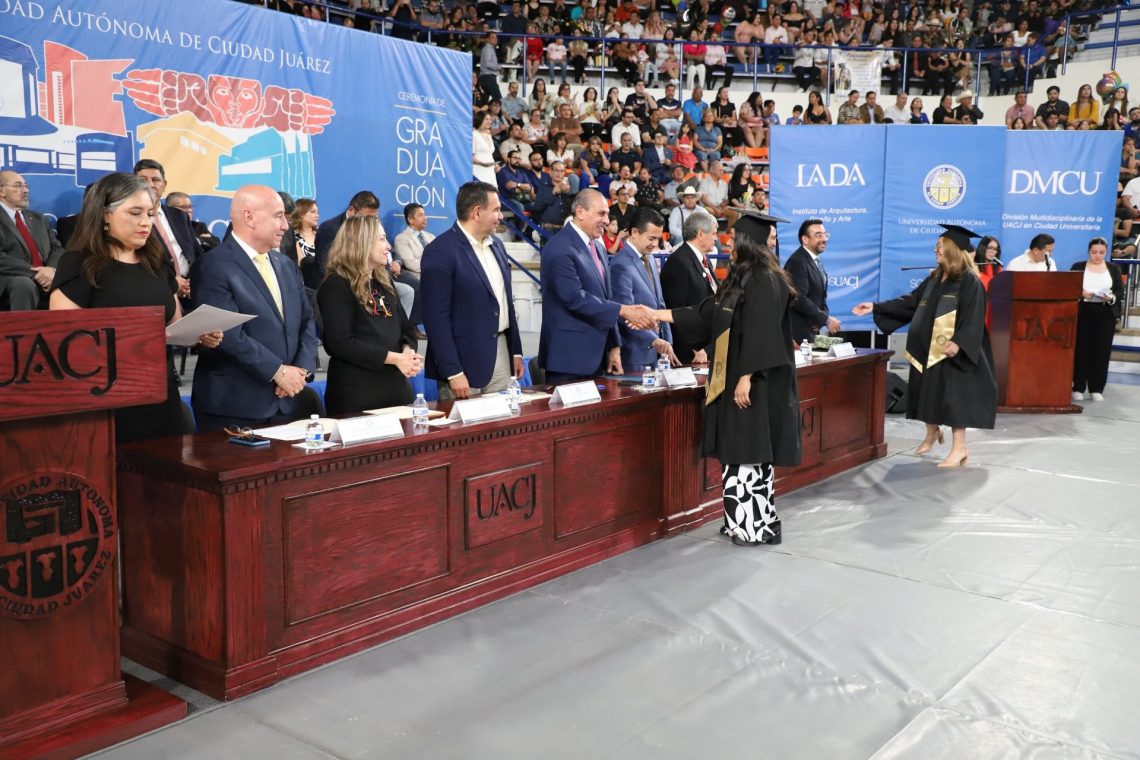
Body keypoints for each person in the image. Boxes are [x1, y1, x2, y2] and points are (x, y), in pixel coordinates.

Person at [651, 210, 802, 546]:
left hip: (754, 381)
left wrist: (746, 376)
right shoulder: (742, 277)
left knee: (749, 450)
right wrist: (654, 314)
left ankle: (752, 526)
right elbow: (706, 312)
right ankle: (743, 521)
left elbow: (762, 333)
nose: (727, 242)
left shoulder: (765, 279)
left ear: (748, 242)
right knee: (740, 451)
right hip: (735, 376)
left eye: (734, 238)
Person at [49, 172, 221, 441]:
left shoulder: (156, 261)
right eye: (135, 213)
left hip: (161, 395)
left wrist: (200, 334)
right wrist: (141, 340)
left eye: (150, 214)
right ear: (105, 214)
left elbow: (174, 325)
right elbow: (64, 342)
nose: (145, 222)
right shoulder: (78, 264)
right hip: (106, 403)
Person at [853, 224, 997, 467]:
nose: (935, 250)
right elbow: (910, 303)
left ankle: (959, 448)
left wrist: (958, 342)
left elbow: (973, 317)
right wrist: (876, 307)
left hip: (951, 352)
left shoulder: (969, 281)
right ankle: (932, 433)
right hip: (927, 348)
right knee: (926, 393)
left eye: (939, 246)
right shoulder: (935, 278)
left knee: (954, 401)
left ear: (952, 250)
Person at [190, 184, 319, 432]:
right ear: (249, 217)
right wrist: (278, 372)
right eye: (278, 216)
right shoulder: (213, 265)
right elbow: (227, 334)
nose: (285, 226)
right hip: (235, 407)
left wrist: (300, 371)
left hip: (286, 401)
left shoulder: (286, 265)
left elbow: (306, 321)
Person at [538, 189, 657, 382]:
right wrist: (624, 310)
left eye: (607, 214)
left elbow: (606, 298)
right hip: (569, 359)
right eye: (601, 214)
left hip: (598, 357)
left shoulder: (599, 248)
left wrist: (614, 345)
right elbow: (574, 298)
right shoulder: (559, 247)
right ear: (580, 212)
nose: (607, 221)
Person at [421, 181, 525, 400]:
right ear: (477, 212)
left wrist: (515, 350)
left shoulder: (497, 245)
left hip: (501, 355)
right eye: (496, 210)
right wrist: (453, 371)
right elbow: (435, 319)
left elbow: (506, 302)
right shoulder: (440, 251)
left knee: (503, 420)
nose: (501, 216)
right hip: (463, 363)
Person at [317, 216, 422, 415]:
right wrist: (395, 358)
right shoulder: (336, 285)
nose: (388, 246)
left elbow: (406, 328)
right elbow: (340, 343)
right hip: (357, 396)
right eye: (381, 239)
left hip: (395, 390)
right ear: (361, 242)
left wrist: (407, 351)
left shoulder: (384, 282)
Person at [610, 208, 677, 372]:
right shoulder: (620, 264)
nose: (655, 244)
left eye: (658, 239)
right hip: (635, 354)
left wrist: (667, 341)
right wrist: (654, 340)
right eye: (651, 238)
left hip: (658, 353)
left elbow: (660, 304)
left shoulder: (650, 258)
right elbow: (625, 313)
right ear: (634, 232)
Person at [134, 159, 199, 302]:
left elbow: (196, 252)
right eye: (143, 180)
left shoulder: (179, 215)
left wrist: (193, 282)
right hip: (156, 294)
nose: (150, 184)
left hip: (191, 291)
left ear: (164, 185)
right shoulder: (131, 218)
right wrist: (171, 281)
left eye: (156, 180)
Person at [0, 169, 65, 310]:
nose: (26, 190)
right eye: (18, 186)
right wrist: (37, 273)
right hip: (11, 277)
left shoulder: (39, 219)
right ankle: (21, 325)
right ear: (2, 191)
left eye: (25, 186)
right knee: (23, 284)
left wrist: (51, 270)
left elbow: (57, 248)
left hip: (47, 274)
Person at [660, 211, 719, 364]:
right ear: (700, 234)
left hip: (707, 349)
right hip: (691, 355)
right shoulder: (679, 263)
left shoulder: (702, 260)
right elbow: (676, 311)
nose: (716, 238)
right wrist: (696, 348)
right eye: (713, 233)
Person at [1070, 237, 1123, 402]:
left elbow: (1119, 292)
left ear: (1106, 252)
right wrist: (1081, 293)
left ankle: (1096, 388)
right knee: (1081, 350)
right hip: (1083, 311)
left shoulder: (1113, 268)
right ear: (1088, 251)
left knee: (1101, 351)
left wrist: (1111, 297)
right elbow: (1069, 287)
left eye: (1101, 252)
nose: (1097, 256)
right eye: (1094, 252)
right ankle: (1078, 387)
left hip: (1105, 312)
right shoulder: (1078, 267)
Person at [785, 219, 840, 343]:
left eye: (825, 234)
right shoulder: (798, 261)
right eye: (818, 235)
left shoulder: (814, 260)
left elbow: (820, 295)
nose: (824, 239)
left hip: (810, 330)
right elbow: (799, 298)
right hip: (798, 334)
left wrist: (821, 318)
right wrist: (826, 320)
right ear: (805, 239)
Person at [393, 203, 434, 277]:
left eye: (425, 215)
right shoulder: (401, 239)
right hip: (418, 277)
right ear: (410, 219)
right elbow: (410, 264)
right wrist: (434, 266)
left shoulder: (431, 236)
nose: (425, 218)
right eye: (421, 215)